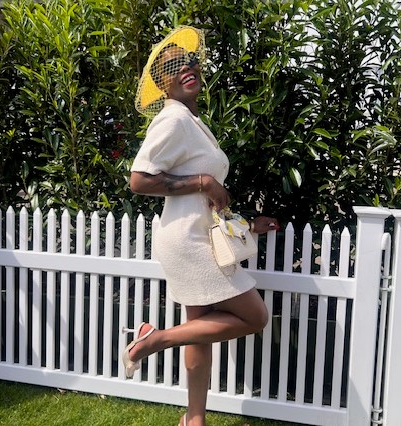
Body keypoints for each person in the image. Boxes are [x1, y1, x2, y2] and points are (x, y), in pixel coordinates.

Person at [123, 26, 279, 426]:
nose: (185, 68)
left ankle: (194, 419)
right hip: (187, 241)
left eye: (188, 61)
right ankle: (154, 340)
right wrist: (203, 181)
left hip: (196, 235)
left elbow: (204, 203)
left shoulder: (191, 121)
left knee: (199, 329)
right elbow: (139, 180)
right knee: (255, 316)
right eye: (173, 67)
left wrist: (248, 225)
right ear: (163, 84)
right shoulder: (173, 119)